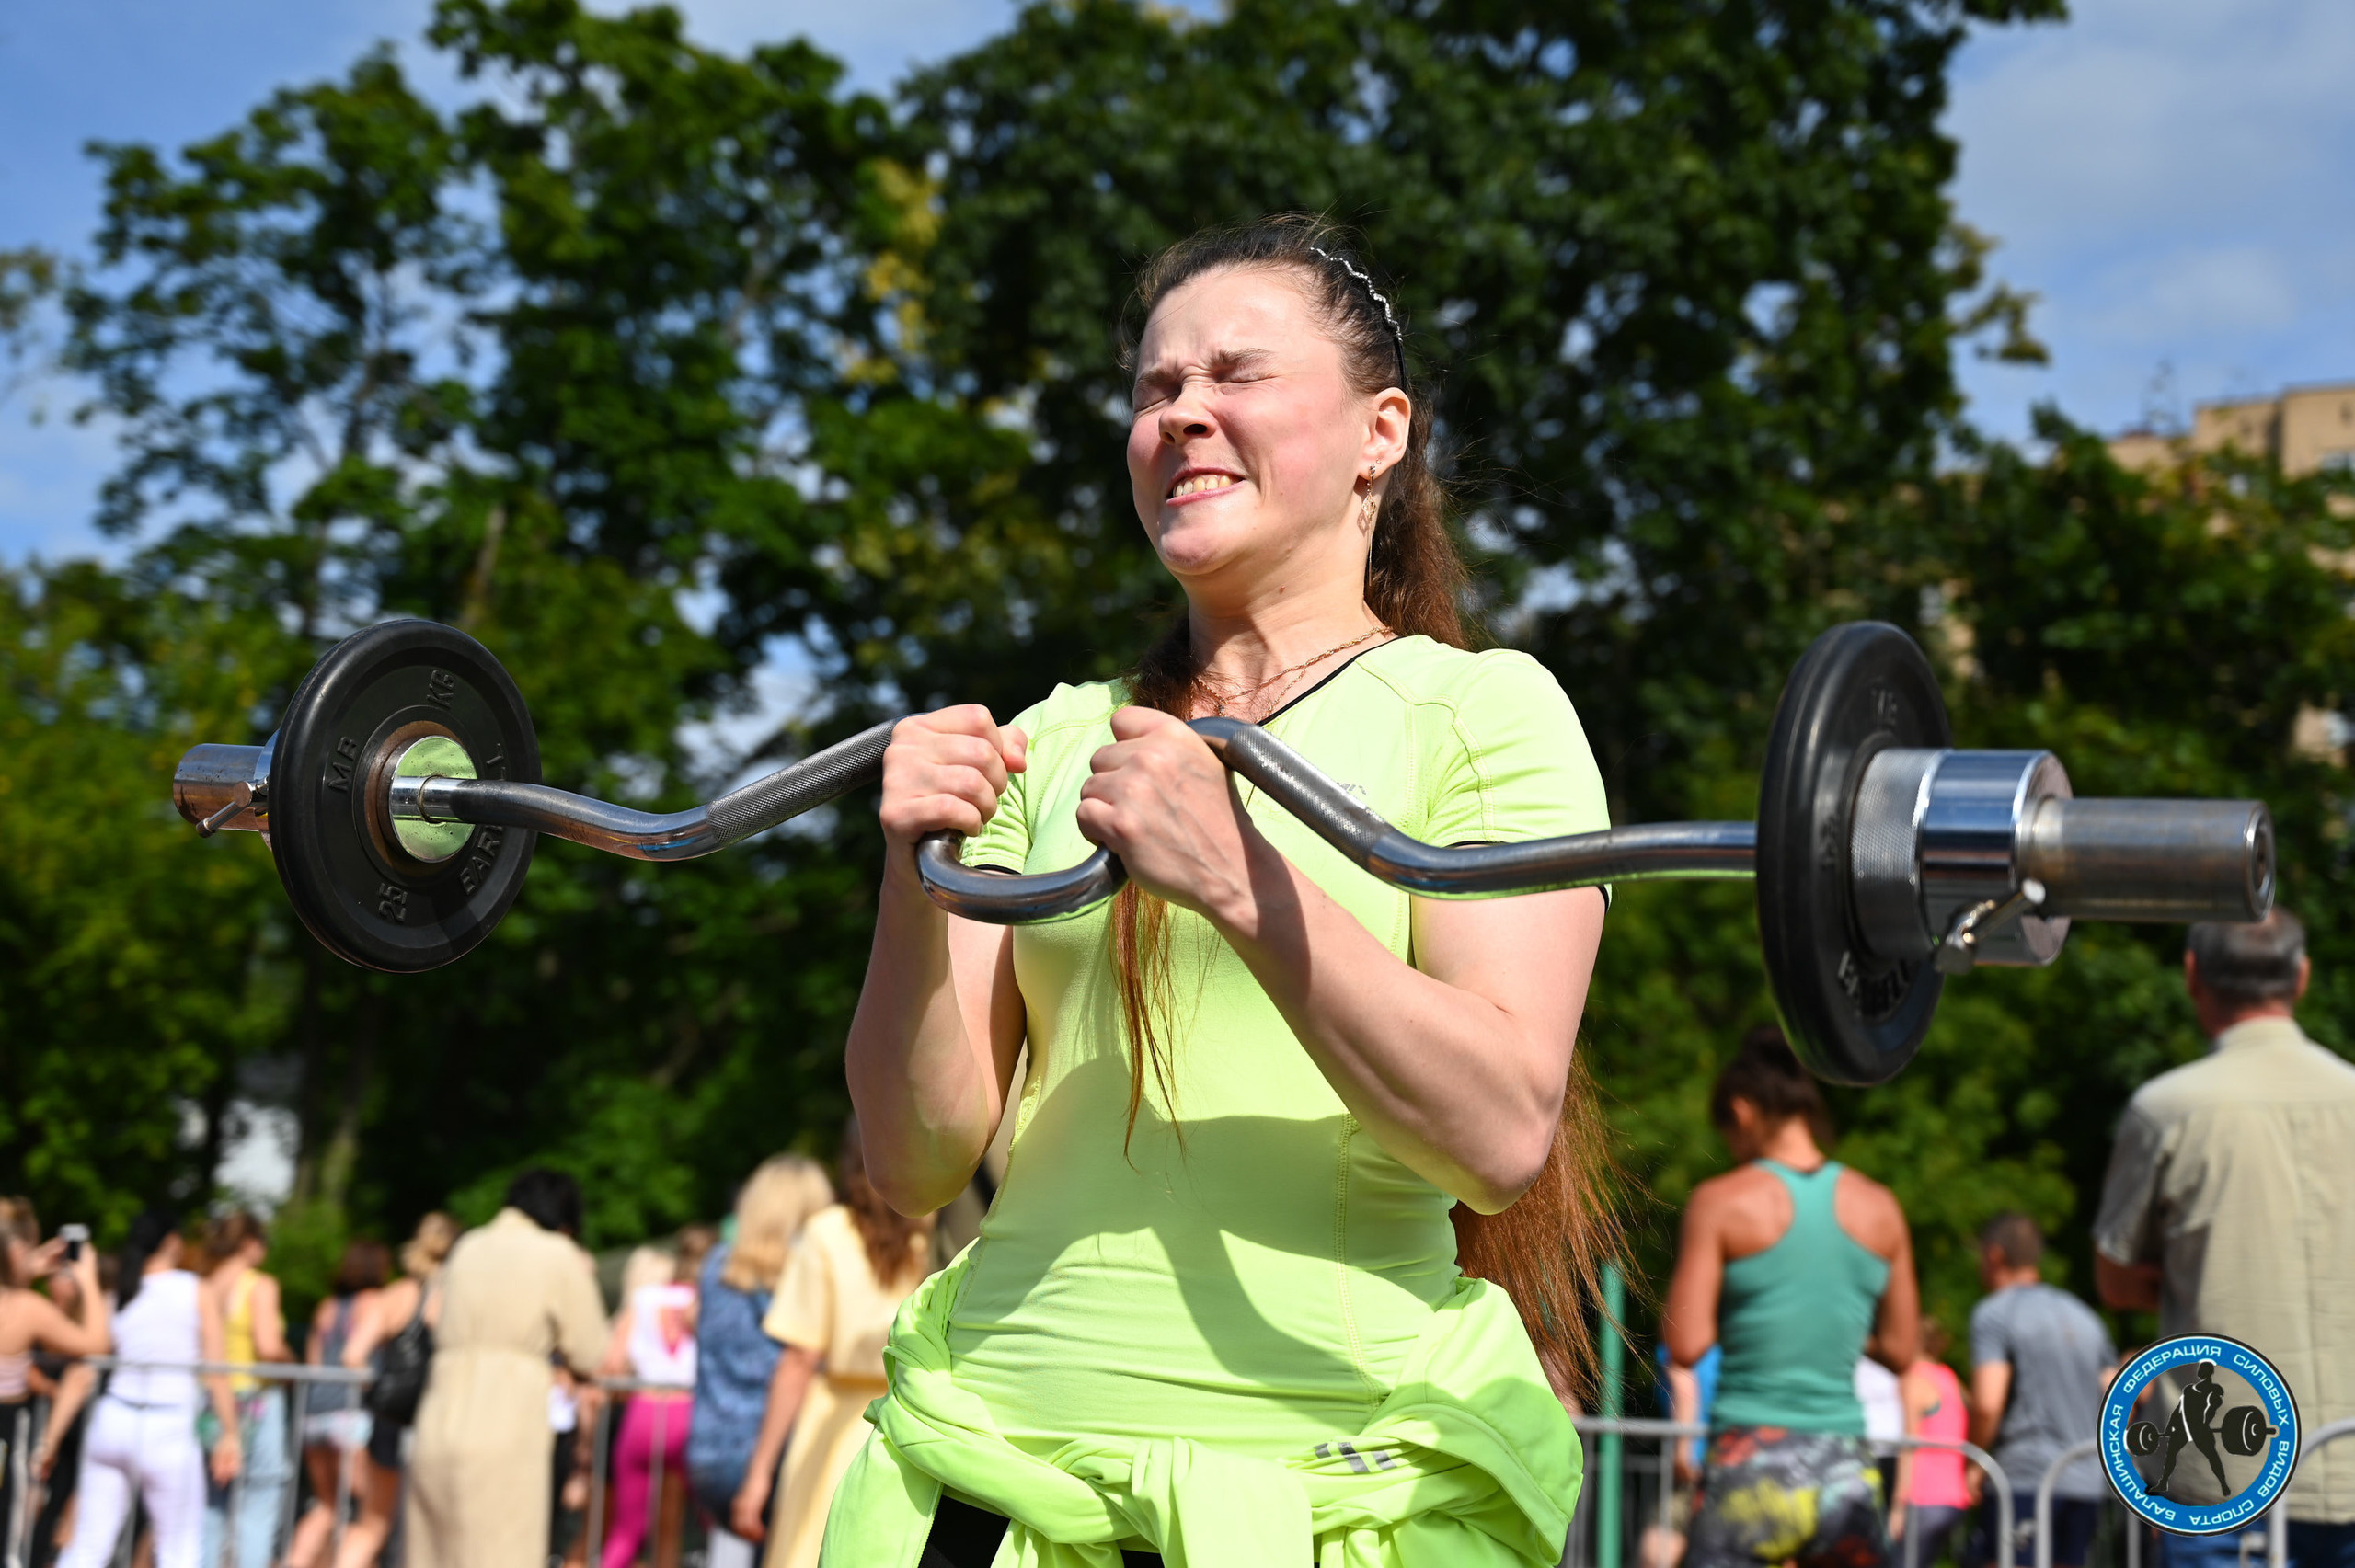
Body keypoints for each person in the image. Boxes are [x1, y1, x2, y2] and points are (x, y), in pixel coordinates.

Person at [833, 214, 1617, 1568]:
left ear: (1383, 433)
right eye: (1154, 390)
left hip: (1335, 1504)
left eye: (1236, 375)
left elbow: (1496, 1132)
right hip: (994, 1484)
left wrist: (1242, 884)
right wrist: (915, 883)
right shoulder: (1049, 738)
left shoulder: (1481, 713)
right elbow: (911, 1164)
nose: (1182, 413)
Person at [2094, 910, 2355, 1568]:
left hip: (2227, 1479)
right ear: (2302, 977)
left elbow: (2115, 1278)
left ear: (2192, 976)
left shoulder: (2168, 1108)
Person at [1663, 1027, 1921, 1568]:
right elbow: (1902, 1350)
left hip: (1751, 1464)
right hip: (1845, 1470)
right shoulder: (1881, 1208)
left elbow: (1686, 1344)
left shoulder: (1720, 1202)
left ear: (1743, 1111)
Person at [728, 1123, 934, 1568]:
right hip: (910, 1416)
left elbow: (800, 1358)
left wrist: (758, 1474)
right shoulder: (928, 1235)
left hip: (835, 1418)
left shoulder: (826, 1233)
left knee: (811, 1548)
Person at [405, 1170, 607, 1568]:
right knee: (501, 1552)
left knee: (435, 1554)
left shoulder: (469, 1246)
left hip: (438, 1416)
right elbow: (591, 1350)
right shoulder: (555, 1253)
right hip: (506, 1420)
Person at [59, 1213, 242, 1568]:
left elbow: (86, 1365)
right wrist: (230, 1433)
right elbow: (217, 1371)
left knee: (87, 1548)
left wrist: (47, 1442)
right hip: (167, 1427)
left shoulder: (121, 1293)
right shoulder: (195, 1290)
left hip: (113, 1421)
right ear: (171, 1242)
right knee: (180, 1550)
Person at [687, 1157, 833, 1568]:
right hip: (774, 1457)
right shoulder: (799, 1274)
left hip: (709, 1457)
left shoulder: (716, 1265)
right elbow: (803, 1362)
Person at [1967, 1213, 2112, 1568]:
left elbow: (1987, 1404)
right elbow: (2118, 1399)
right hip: (2086, 1479)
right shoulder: (2085, 1316)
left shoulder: (1995, 1314)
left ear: (1995, 1255)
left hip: (2025, 1476)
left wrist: (1974, 1461)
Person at [334, 1212, 460, 1568]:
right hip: (437, 1423)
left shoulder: (393, 1296)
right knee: (430, 1531)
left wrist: (381, 1388)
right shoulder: (453, 1299)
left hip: (388, 1420)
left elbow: (352, 1355)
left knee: (371, 1525)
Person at [599, 1228, 715, 1568]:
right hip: (689, 1412)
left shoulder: (645, 1297)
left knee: (627, 1531)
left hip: (644, 1411)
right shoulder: (713, 1299)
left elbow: (614, 1362)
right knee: (684, 1528)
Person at [0, 1211, 110, 1559]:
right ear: (16, 1251)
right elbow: (96, 1342)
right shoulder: (26, 1308)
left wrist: (25, 1266)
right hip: (6, 1434)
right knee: (7, 1542)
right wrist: (87, 1278)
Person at [288, 1240, 391, 1568]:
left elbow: (314, 1364)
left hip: (315, 1413)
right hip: (353, 1414)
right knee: (366, 1513)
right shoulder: (377, 1303)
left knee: (326, 1506)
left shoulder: (327, 1308)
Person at [200, 1211, 294, 1568]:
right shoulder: (259, 1285)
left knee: (211, 1508)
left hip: (211, 1400)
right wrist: (293, 1361)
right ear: (250, 1244)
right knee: (258, 1504)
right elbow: (268, 1346)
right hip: (255, 1401)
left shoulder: (206, 1284)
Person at [1890, 1322, 1970, 1568]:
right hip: (1954, 1498)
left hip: (1923, 1496)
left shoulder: (1914, 1380)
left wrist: (1897, 1505)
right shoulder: (1949, 1377)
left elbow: (1909, 1444)